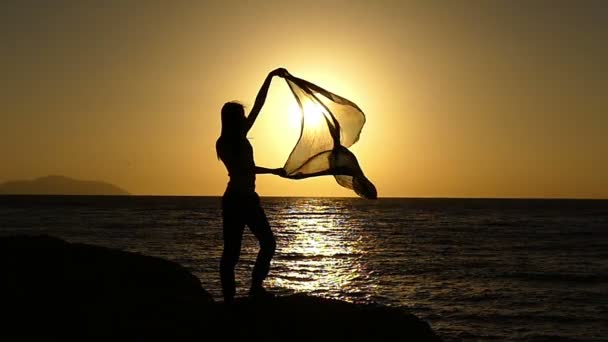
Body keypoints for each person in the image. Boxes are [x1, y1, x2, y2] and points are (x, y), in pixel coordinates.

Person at [216, 68, 287, 304]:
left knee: (268, 243)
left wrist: (270, 77)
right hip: (237, 199)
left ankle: (255, 288)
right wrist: (274, 171)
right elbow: (243, 170)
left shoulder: (240, 136)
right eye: (241, 115)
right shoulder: (226, 142)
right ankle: (230, 299)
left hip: (248, 198)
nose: (246, 118)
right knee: (233, 252)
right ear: (232, 119)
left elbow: (259, 105)